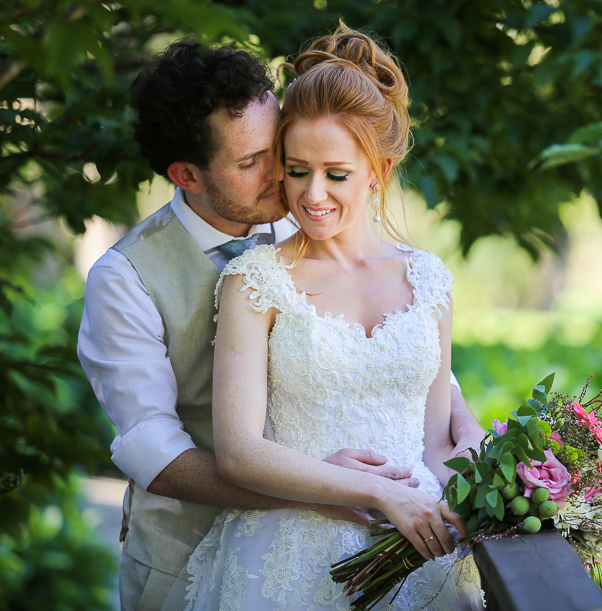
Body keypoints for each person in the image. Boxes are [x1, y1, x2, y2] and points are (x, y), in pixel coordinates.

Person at [76, 39, 484, 611]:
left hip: (388, 537)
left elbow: (386, 361)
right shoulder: (125, 279)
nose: (286, 179)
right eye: (253, 164)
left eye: (280, 151)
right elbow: (158, 455)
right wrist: (322, 490)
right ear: (187, 175)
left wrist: (467, 437)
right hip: (197, 549)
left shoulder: (311, 214)